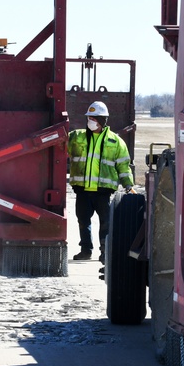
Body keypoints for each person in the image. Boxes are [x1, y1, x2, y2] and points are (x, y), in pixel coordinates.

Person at [68, 100, 134, 261]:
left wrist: (128, 185)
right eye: (89, 117)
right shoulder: (77, 137)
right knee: (83, 221)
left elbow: (123, 166)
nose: (90, 121)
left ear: (103, 120)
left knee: (106, 223)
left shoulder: (115, 141)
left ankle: (105, 253)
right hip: (82, 189)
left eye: (94, 118)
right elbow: (60, 146)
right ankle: (85, 250)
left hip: (103, 191)